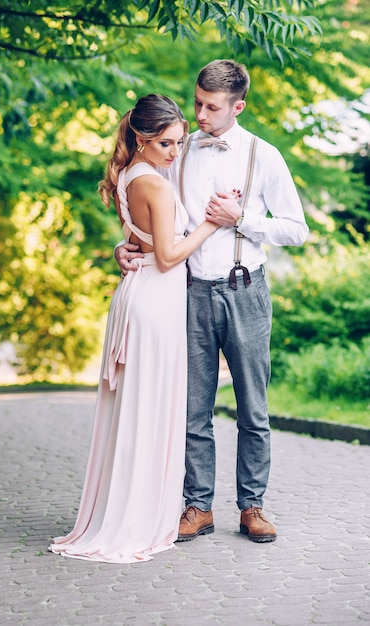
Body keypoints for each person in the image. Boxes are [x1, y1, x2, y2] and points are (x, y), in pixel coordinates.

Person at [115, 60, 309, 544]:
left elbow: (297, 230)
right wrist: (127, 246)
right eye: (197, 101)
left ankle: (252, 506)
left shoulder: (263, 155)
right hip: (187, 294)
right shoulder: (175, 151)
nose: (200, 114)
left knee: (253, 409)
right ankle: (197, 506)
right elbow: (150, 211)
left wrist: (244, 218)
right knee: (191, 409)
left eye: (211, 107)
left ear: (238, 107)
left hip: (245, 290)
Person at [49, 94, 240, 563]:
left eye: (178, 143)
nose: (175, 152)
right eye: (166, 144)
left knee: (140, 411)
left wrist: (123, 246)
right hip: (154, 301)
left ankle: (132, 509)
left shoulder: (131, 173)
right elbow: (170, 254)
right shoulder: (151, 182)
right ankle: (135, 516)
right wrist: (212, 225)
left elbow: (138, 238)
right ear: (141, 138)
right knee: (149, 411)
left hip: (143, 296)